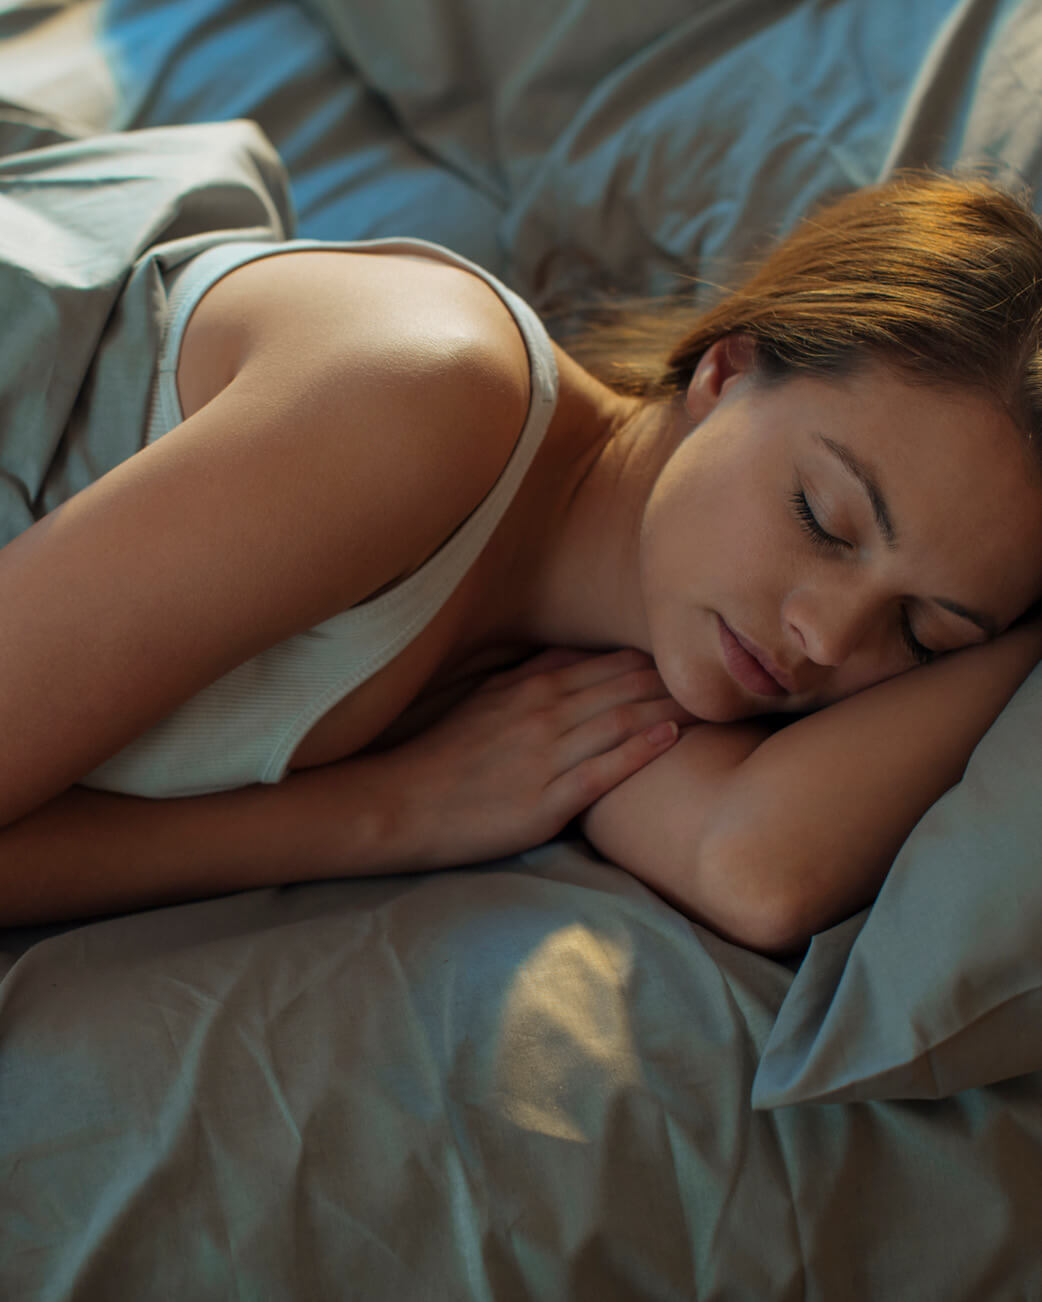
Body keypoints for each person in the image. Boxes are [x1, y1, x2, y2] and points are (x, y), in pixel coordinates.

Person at [3, 171, 1042, 951]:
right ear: (727, 371)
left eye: (922, 630)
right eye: (822, 517)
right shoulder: (419, 397)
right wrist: (383, 814)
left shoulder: (647, 665)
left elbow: (757, 869)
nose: (828, 636)